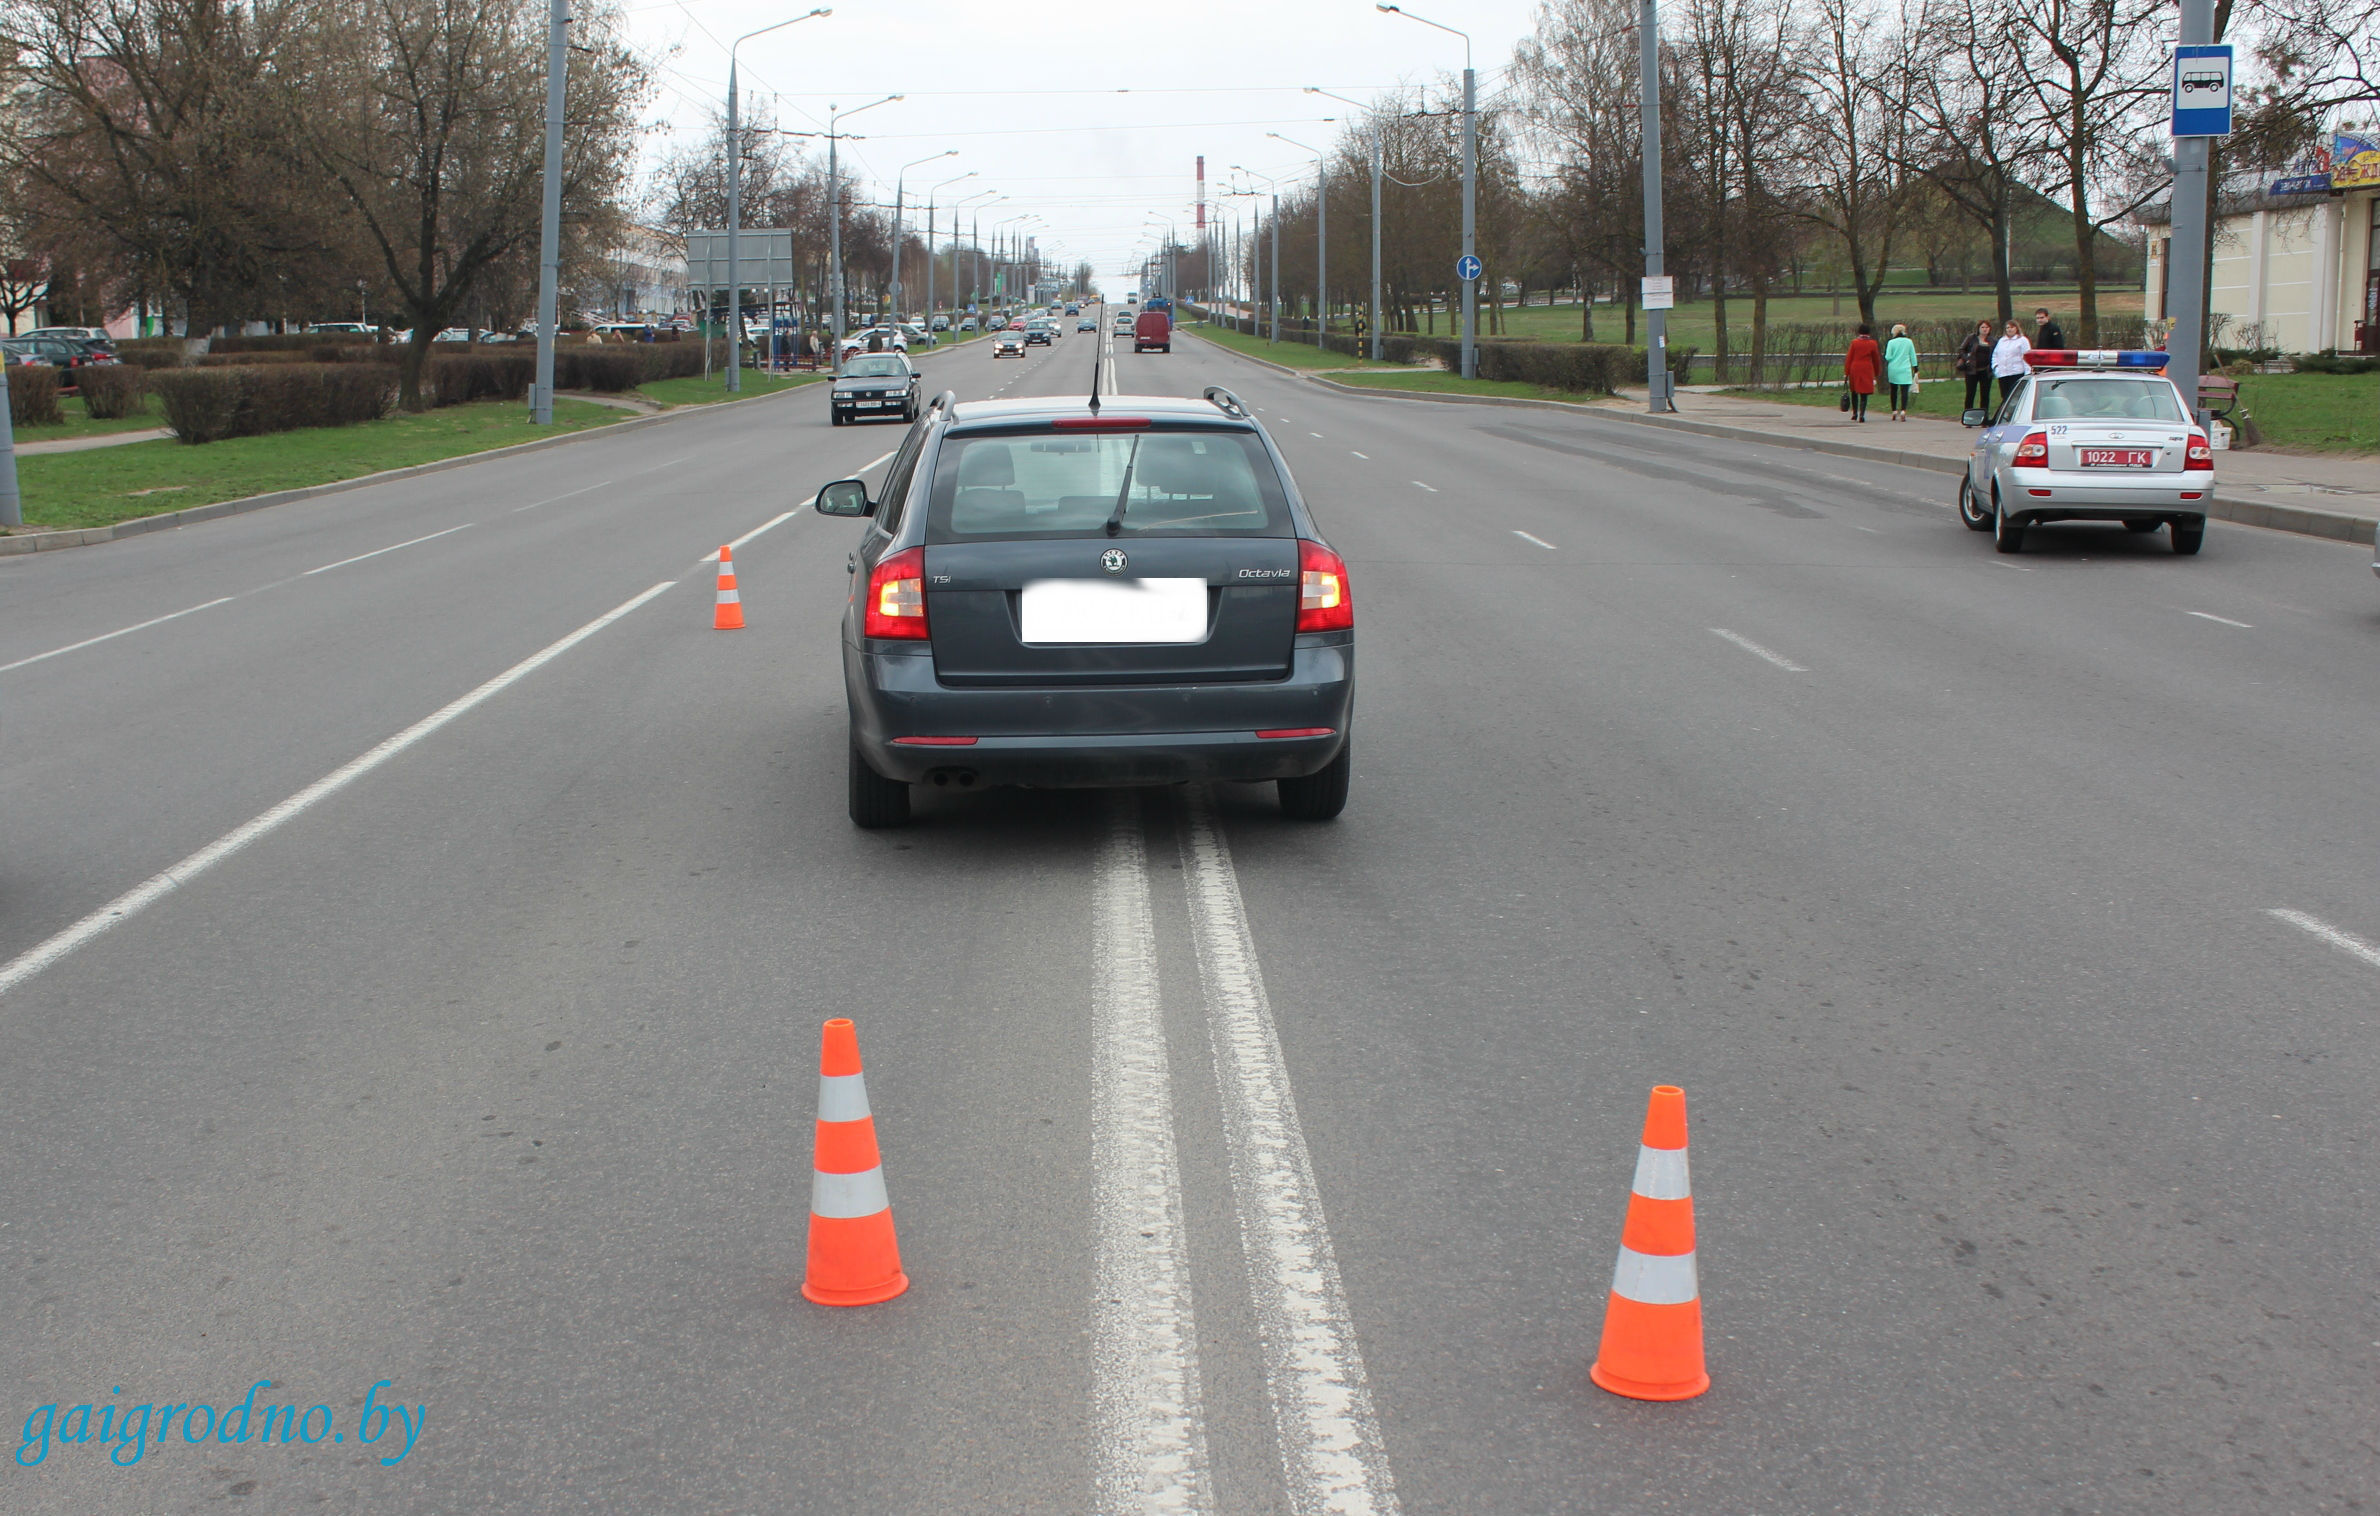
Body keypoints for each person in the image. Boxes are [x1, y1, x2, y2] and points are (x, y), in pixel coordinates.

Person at [1842, 324, 1881, 422]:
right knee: (1864, 393)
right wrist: (1877, 372)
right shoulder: (1873, 343)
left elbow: (1849, 358)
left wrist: (1846, 372)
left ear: (1859, 332)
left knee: (1854, 391)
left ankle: (1855, 413)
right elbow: (1876, 359)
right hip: (1866, 369)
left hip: (1855, 368)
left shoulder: (1854, 343)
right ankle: (1862, 415)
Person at [1882, 322, 1920, 422]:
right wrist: (1915, 368)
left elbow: (1888, 357)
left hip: (1893, 369)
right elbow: (1912, 356)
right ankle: (1903, 410)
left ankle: (1894, 410)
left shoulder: (1891, 342)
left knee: (1893, 390)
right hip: (1905, 369)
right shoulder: (1909, 342)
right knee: (1904, 391)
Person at [1956, 319, 1995, 413]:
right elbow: (1961, 349)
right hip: (1972, 370)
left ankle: (1983, 417)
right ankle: (1968, 416)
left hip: (1986, 371)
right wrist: (1967, 359)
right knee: (1970, 393)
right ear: (1978, 328)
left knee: (1985, 395)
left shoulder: (1993, 341)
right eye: (1982, 327)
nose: (1985, 329)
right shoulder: (1971, 338)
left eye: (1987, 327)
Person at [1991, 318, 2031, 407]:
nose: (2009, 329)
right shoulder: (2001, 341)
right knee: (2005, 396)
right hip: (2003, 374)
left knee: (2016, 395)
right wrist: (1996, 368)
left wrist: (2028, 372)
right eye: (2007, 327)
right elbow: (1995, 355)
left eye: (2012, 327)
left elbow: (2027, 356)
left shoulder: (2022, 340)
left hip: (2016, 373)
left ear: (2016, 328)